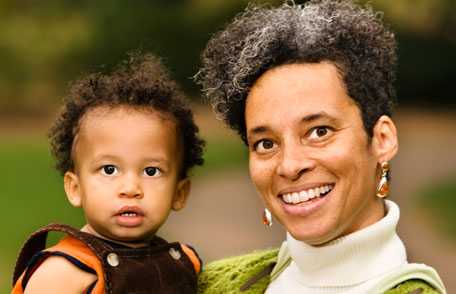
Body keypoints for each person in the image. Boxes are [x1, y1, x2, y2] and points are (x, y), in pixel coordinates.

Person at [195, 0, 446, 293]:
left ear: (382, 140)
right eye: (265, 143)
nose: (289, 165)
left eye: (319, 131)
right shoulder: (210, 282)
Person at [12, 53, 205, 293]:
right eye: (109, 169)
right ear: (75, 188)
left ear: (179, 193)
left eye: (151, 171)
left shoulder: (184, 262)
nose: (131, 188)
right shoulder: (63, 272)